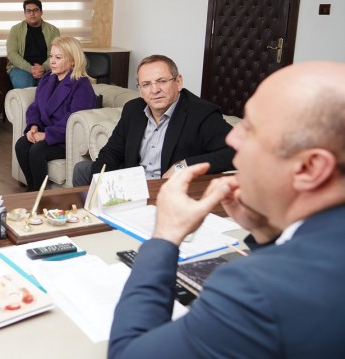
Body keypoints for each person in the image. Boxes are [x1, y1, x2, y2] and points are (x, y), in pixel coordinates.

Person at [108, 61, 345, 358]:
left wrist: (165, 236)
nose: (233, 138)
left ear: (311, 168)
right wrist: (265, 232)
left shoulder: (254, 289)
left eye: (252, 128)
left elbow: (128, 354)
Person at [72, 54, 234, 186]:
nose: (155, 90)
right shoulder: (133, 109)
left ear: (178, 82)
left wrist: (182, 166)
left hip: (168, 188)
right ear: (140, 90)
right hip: (133, 183)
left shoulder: (201, 113)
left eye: (162, 81)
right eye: (146, 84)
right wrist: (100, 186)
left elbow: (236, 152)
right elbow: (112, 151)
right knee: (83, 170)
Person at [14, 36, 96, 191]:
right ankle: (32, 189)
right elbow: (35, 106)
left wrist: (46, 135)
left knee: (37, 151)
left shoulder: (81, 85)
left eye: (58, 58)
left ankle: (40, 193)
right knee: (21, 145)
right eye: (51, 56)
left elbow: (72, 120)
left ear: (72, 61)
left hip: (65, 139)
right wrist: (34, 126)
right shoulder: (47, 79)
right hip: (47, 133)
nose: (52, 61)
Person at [6, 0, 60, 89]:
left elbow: (58, 53)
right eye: (29, 11)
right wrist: (30, 68)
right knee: (24, 84)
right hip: (21, 68)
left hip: (47, 67)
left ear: (41, 12)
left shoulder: (53, 30)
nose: (32, 13)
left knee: (49, 86)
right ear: (25, 13)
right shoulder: (15, 30)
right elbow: (12, 53)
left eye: (35, 10)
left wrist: (44, 67)